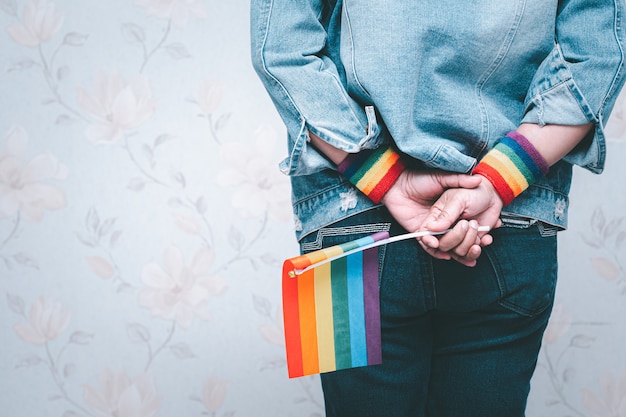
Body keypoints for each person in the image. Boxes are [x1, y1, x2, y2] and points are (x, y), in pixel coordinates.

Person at [250, 1, 626, 416]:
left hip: (342, 222)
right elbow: (597, 55)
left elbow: (279, 48)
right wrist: (495, 182)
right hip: (509, 217)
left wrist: (383, 177)